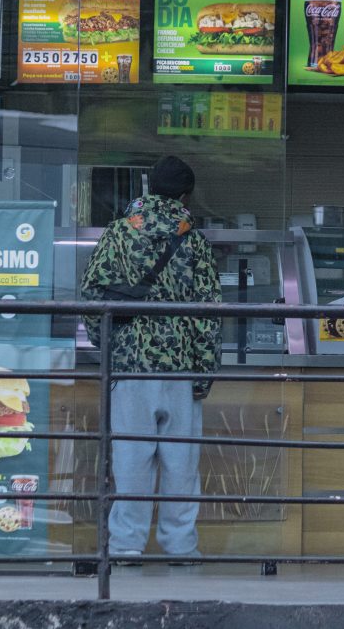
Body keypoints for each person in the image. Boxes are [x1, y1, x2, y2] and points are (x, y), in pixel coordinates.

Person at [80, 155, 222, 563]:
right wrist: (203, 373)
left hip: (129, 369)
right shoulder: (193, 240)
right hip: (180, 370)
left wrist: (108, 349)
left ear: (149, 190)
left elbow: (92, 298)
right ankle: (181, 548)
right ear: (185, 196)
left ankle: (125, 548)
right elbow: (208, 316)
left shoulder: (119, 234)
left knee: (131, 464)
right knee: (181, 467)